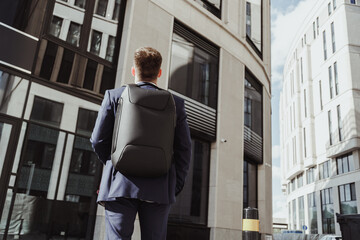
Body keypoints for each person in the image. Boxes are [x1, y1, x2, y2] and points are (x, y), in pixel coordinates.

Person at [91, 47, 192, 240]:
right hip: (160, 186)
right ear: (159, 73)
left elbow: (98, 140)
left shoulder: (114, 96)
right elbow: (184, 150)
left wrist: (114, 164)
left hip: (119, 185)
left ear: (133, 70)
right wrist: (174, 184)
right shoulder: (176, 103)